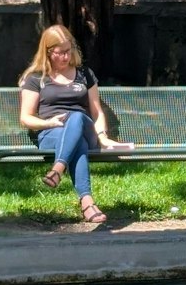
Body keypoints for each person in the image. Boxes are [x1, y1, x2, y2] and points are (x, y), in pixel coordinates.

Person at [18, 24, 130, 224]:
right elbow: (25, 118)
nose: (66, 57)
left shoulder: (84, 74)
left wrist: (103, 137)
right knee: (77, 144)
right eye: (60, 53)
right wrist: (48, 123)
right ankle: (87, 202)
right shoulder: (36, 79)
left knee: (76, 117)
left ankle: (58, 169)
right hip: (51, 133)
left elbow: (96, 111)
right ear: (48, 52)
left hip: (85, 128)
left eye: (69, 51)